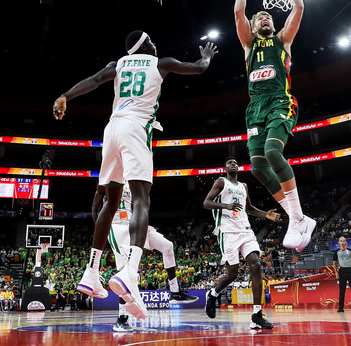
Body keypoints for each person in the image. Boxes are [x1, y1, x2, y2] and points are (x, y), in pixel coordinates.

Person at [53, 30, 217, 319]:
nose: (157, 44)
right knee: (142, 199)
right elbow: (198, 69)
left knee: (110, 201)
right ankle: (129, 272)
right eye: (153, 41)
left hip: (112, 129)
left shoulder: (117, 64)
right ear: (146, 45)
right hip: (135, 127)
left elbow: (93, 81)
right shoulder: (160, 62)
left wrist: (65, 95)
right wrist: (205, 57)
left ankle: (91, 272)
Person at [234, 0, 315, 252]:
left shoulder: (283, 40)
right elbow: (237, 12)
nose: (265, 18)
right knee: (257, 167)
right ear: (253, 27)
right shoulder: (249, 45)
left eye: (268, 16)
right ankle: (299, 218)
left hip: (280, 100)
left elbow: (299, 8)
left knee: (272, 152)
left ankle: (297, 218)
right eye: (259, 18)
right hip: (254, 108)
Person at [92, 184, 198, 332]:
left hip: (134, 224)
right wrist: (104, 232)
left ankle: (175, 292)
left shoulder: (133, 179)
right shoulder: (108, 178)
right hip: (116, 227)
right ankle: (121, 319)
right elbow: (95, 209)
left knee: (168, 246)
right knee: (125, 274)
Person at [203, 156, 280, 329]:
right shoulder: (221, 182)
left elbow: (249, 209)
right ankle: (213, 294)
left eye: (236, 163)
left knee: (256, 265)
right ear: (225, 167)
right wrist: (226, 206)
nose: (233, 164)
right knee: (233, 274)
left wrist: (265, 214)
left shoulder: (244, 186)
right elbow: (206, 203)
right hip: (228, 232)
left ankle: (256, 314)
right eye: (230, 162)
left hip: (245, 230)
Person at [332, 236, 351, 313]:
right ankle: (341, 308)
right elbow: (334, 262)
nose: (342, 242)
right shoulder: (337, 252)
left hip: (350, 270)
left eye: (344, 241)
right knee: (342, 290)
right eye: (341, 241)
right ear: (339, 242)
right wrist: (336, 272)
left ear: (346, 242)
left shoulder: (350, 251)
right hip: (342, 271)